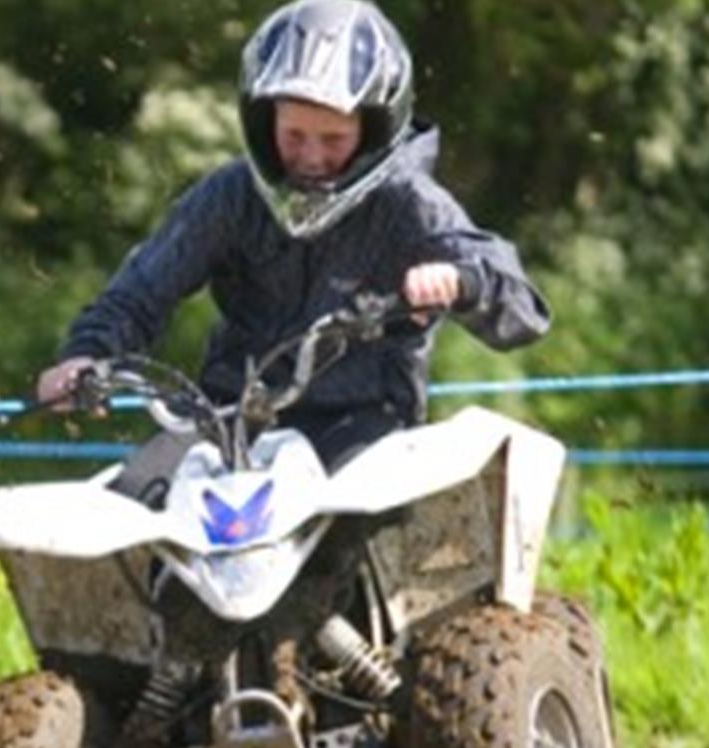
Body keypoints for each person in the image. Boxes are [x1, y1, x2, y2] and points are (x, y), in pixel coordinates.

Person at [36, 0, 550, 488]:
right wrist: (87, 356)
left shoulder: (410, 203)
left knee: (349, 530)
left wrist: (463, 281)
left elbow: (524, 310)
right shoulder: (231, 195)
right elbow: (142, 289)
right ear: (264, 123)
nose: (310, 156)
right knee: (136, 509)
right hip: (230, 413)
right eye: (294, 135)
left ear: (374, 129)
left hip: (362, 424)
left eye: (333, 140)